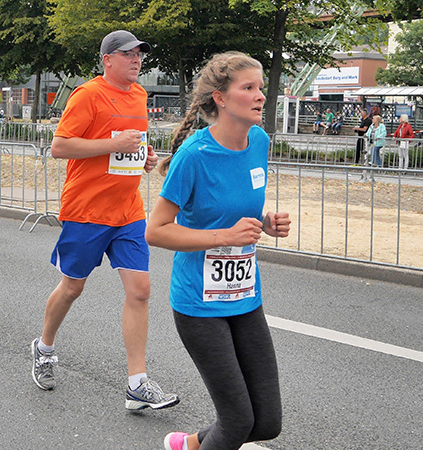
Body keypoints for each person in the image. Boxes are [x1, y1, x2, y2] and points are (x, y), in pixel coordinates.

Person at [146, 52, 290, 450]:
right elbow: (155, 232)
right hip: (199, 305)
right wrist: (224, 236)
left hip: (244, 298)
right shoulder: (194, 156)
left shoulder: (258, 141)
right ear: (221, 98)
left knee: (267, 423)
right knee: (238, 420)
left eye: (260, 87)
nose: (261, 96)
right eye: (249, 88)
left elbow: (236, 211)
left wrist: (266, 223)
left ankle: (189, 445)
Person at [30, 29, 179, 411]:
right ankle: (44, 347)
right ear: (107, 59)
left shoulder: (140, 95)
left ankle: (137, 384)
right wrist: (115, 144)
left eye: (140, 54)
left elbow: (134, 146)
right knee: (72, 288)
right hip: (87, 210)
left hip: (128, 211)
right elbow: (60, 146)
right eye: (129, 54)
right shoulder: (88, 95)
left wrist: (144, 157)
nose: (137, 60)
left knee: (141, 290)